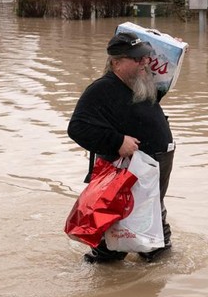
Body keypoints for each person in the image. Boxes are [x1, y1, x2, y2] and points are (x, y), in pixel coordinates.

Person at [68, 31, 176, 263]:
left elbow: (165, 79)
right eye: (137, 59)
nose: (144, 62)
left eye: (146, 57)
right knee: (120, 220)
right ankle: (104, 271)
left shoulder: (143, 81)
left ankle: (156, 259)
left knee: (151, 213)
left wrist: (175, 53)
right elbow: (77, 128)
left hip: (154, 163)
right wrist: (117, 141)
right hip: (129, 167)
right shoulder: (101, 89)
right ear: (116, 63)